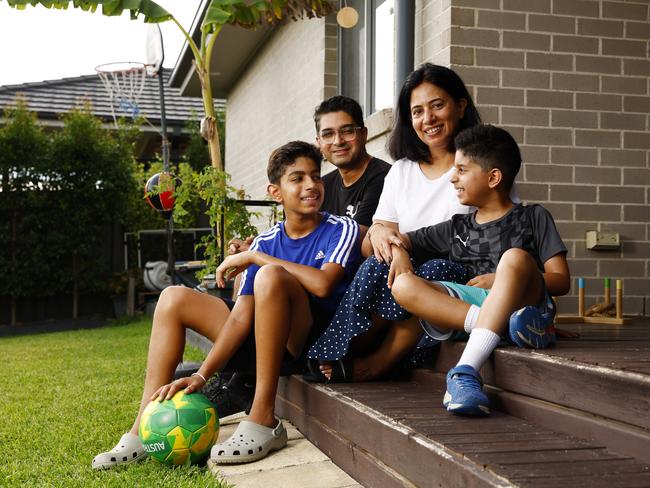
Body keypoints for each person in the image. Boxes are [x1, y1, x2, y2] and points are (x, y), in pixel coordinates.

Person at [92, 141, 360, 469]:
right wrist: (203, 375)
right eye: (298, 178)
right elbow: (240, 318)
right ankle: (142, 428)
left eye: (316, 177)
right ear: (275, 192)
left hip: (302, 343)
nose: (311, 186)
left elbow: (322, 284)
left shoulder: (339, 228)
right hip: (260, 335)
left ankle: (263, 419)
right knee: (172, 297)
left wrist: (253, 257)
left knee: (270, 275)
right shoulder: (267, 240)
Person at [216, 96, 390, 414]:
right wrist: (257, 248)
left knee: (269, 275)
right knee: (253, 280)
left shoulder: (381, 179)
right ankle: (230, 379)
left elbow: (360, 243)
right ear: (319, 141)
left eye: (347, 131)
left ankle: (243, 385)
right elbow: (304, 234)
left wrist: (261, 257)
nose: (337, 141)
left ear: (364, 134)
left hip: (352, 303)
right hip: (313, 297)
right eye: (328, 133)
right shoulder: (325, 181)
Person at [308, 63, 481, 382]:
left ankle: (381, 362)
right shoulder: (402, 170)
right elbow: (379, 230)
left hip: (456, 276)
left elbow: (502, 227)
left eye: (437, 105)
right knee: (376, 264)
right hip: (405, 267)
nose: (427, 119)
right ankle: (339, 350)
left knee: (432, 271)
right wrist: (399, 253)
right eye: (417, 111)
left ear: (460, 106)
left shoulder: (482, 165)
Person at [389, 124, 570, 415]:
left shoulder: (533, 217)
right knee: (403, 285)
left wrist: (501, 279)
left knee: (513, 259)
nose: (453, 178)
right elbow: (402, 238)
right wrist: (399, 253)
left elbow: (561, 280)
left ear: (493, 177)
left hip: (524, 301)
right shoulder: (457, 227)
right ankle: (501, 329)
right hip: (482, 310)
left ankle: (466, 371)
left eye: (461, 170)